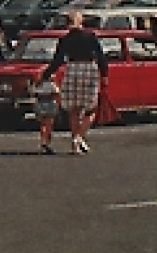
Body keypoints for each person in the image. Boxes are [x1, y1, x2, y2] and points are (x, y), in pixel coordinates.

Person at [40, 8, 110, 155]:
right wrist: (104, 74)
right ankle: (78, 138)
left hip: (71, 69)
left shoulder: (65, 39)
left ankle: (76, 143)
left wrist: (46, 74)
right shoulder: (90, 37)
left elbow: (57, 60)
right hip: (88, 69)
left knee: (74, 109)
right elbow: (101, 56)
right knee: (90, 109)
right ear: (81, 21)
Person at [33, 76, 62, 155]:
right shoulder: (52, 85)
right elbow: (57, 94)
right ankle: (48, 142)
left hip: (40, 103)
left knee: (43, 124)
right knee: (49, 124)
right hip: (50, 103)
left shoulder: (38, 85)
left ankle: (42, 141)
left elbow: (34, 93)